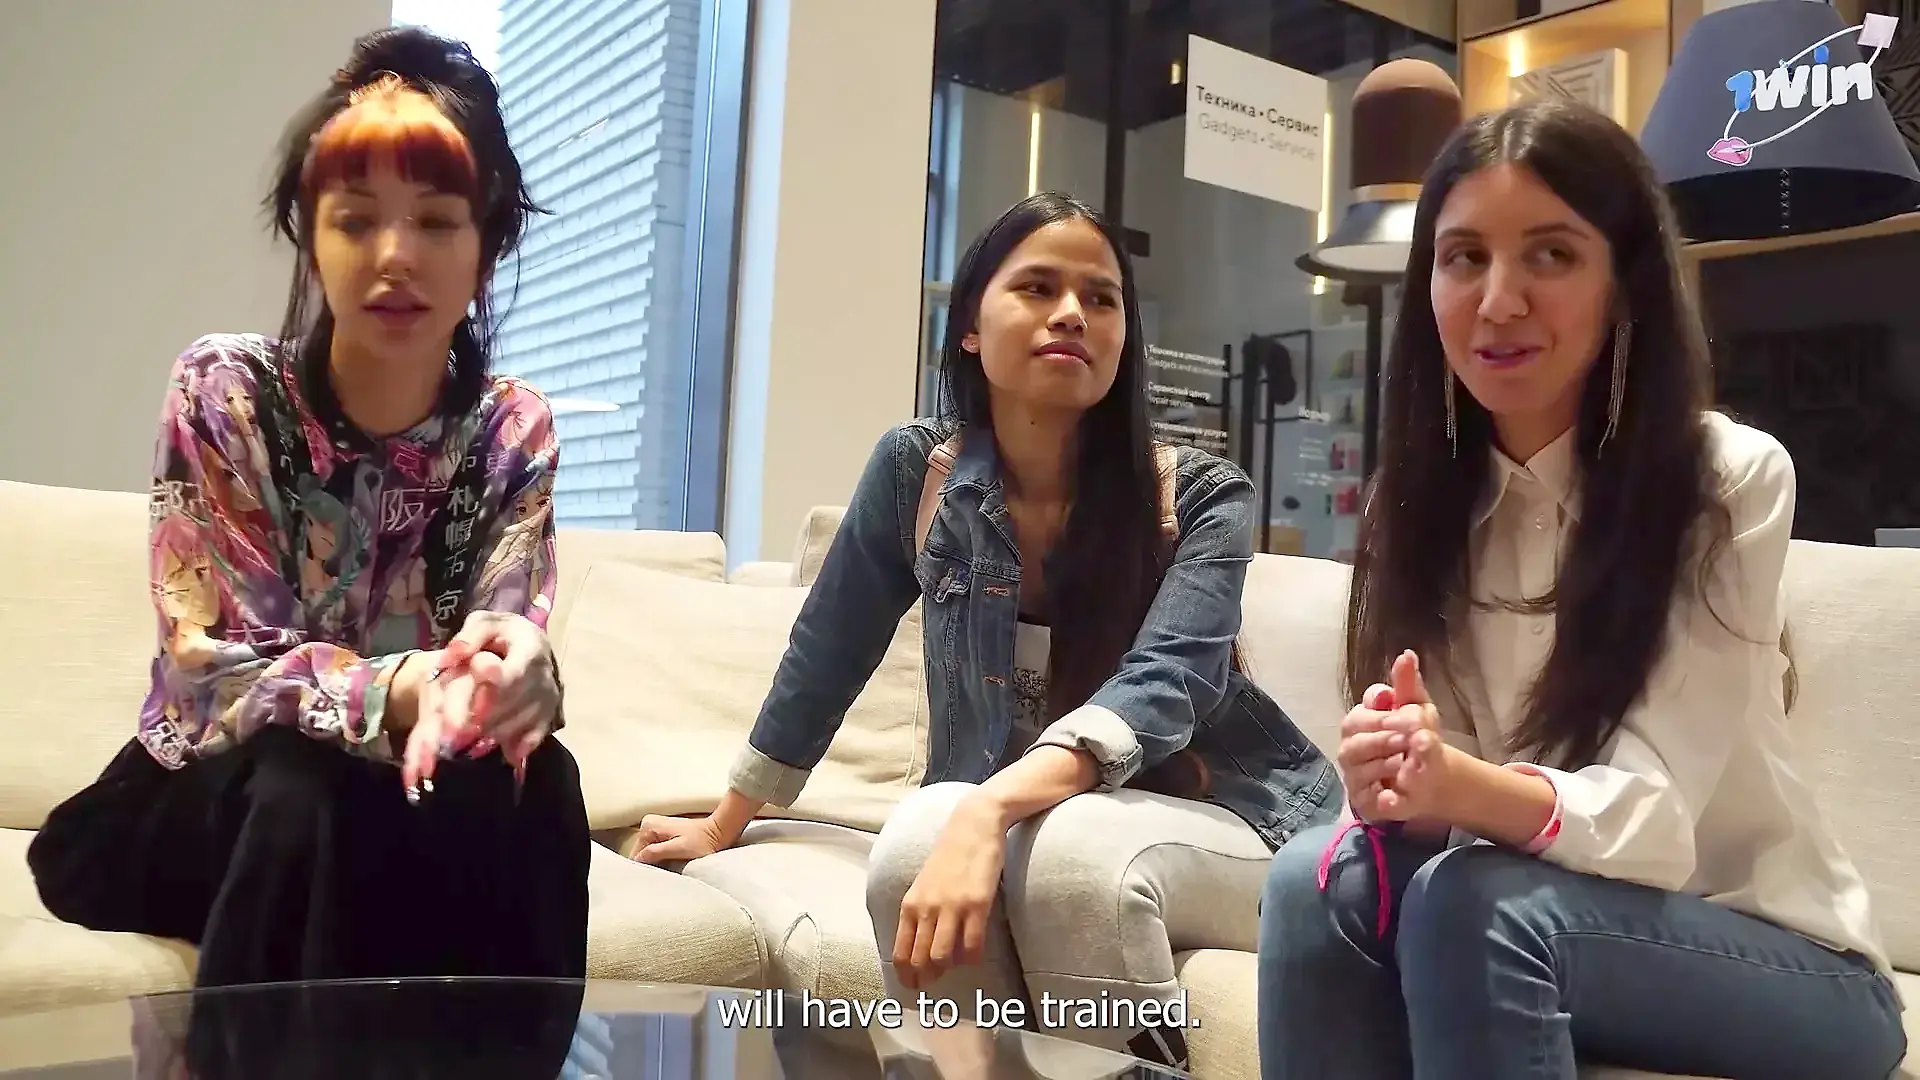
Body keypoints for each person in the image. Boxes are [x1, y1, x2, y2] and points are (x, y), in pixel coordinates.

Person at [1255, 98, 1906, 1080]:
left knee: (1477, 907)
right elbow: (1450, 795)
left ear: (1623, 282)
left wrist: (1456, 785)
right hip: (1535, 913)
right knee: (1315, 878)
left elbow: (1655, 820)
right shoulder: (1414, 500)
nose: (1498, 301)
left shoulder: (1725, 481)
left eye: (1551, 255)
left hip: (1787, 959)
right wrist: (1400, 780)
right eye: (1463, 257)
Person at [630, 191, 1342, 1070]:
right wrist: (727, 819)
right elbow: (828, 651)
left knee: (1071, 853)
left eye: (1102, 298)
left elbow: (1169, 683)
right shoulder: (915, 473)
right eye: (1037, 287)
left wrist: (991, 808)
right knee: (914, 844)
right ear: (970, 326)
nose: (1072, 313)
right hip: (1042, 816)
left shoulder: (1200, 497)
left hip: (1232, 817)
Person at [27, 26, 590, 991]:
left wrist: (522, 674)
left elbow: (499, 637)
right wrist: (404, 685)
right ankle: (251, 1053)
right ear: (310, 233)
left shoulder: (511, 429)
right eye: (356, 219)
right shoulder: (228, 392)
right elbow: (215, 672)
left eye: (438, 221)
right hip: (212, 784)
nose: (395, 256)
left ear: (488, 243)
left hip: (395, 795)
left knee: (544, 787)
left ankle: (502, 1056)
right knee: (298, 785)